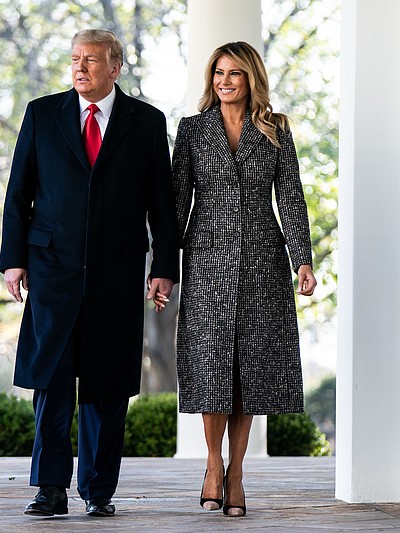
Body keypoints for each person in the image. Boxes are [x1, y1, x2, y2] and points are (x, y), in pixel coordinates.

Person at [0, 29, 179, 518]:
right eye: (75, 59)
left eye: (92, 60)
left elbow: (162, 205)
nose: (80, 68)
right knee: (52, 382)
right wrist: (12, 259)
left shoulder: (146, 122)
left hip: (117, 272)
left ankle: (99, 491)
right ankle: (50, 488)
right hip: (51, 270)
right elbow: (19, 194)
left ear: (115, 67)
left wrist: (164, 266)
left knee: (107, 384)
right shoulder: (42, 114)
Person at [171, 41, 317, 517]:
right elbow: (176, 202)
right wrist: (161, 268)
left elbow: (291, 198)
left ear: (251, 77)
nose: (225, 81)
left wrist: (303, 259)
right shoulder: (192, 130)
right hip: (207, 259)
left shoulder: (275, 130)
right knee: (212, 366)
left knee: (248, 371)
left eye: (234, 73)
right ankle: (213, 464)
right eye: (218, 72)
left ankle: (237, 471)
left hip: (261, 260)